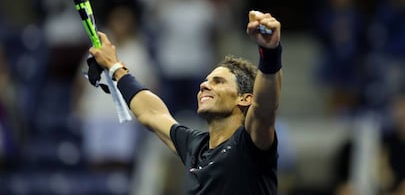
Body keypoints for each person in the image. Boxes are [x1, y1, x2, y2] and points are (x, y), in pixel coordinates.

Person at [89, 10, 282, 194]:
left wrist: (270, 51)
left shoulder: (249, 143)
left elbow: (264, 108)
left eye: (218, 82)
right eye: (206, 81)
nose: (204, 86)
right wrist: (115, 67)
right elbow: (151, 113)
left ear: (245, 98)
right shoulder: (194, 146)